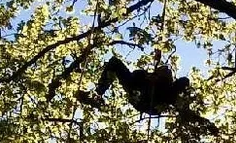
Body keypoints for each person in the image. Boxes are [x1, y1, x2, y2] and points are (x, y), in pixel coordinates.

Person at [78, 56, 215, 130]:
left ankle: (98, 94)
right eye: (161, 71)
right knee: (115, 63)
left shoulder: (171, 92)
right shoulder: (143, 77)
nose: (164, 73)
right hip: (140, 94)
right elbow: (132, 79)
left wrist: (202, 122)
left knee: (176, 88)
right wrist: (147, 77)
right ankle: (97, 94)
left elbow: (183, 84)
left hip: (153, 102)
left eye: (165, 74)